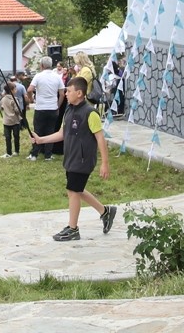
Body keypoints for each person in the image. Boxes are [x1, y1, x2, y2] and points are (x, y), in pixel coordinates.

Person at [29, 75, 117, 242]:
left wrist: (105, 163)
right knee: (77, 189)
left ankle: (73, 229)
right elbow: (63, 133)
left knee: (73, 190)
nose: (65, 93)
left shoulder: (90, 113)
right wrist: (41, 140)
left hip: (83, 160)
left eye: (68, 91)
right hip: (71, 158)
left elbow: (100, 139)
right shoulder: (69, 110)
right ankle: (105, 212)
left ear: (79, 93)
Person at [26, 57, 64, 161]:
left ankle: (34, 154)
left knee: (38, 131)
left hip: (41, 107)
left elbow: (30, 89)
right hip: (53, 108)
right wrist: (58, 105)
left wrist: (30, 99)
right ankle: (48, 155)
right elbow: (62, 94)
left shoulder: (38, 76)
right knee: (50, 131)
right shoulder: (57, 77)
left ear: (41, 65)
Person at [0, 81, 22, 157]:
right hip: (15, 121)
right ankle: (16, 151)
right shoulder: (14, 99)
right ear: (11, 90)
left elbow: (1, 108)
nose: (16, 90)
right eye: (15, 89)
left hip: (6, 121)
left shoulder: (3, 99)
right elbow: (17, 110)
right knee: (16, 136)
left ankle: (8, 152)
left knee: (7, 137)